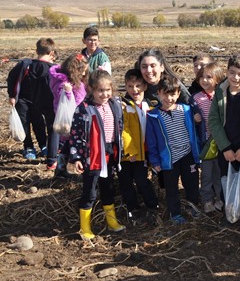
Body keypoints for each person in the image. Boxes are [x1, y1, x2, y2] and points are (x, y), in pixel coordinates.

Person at [69, 70, 125, 239]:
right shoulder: (84, 109)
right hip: (91, 156)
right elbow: (76, 134)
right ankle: (85, 227)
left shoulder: (114, 104)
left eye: (108, 90)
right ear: (91, 90)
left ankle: (112, 221)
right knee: (90, 190)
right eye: (100, 90)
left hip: (109, 153)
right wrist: (76, 157)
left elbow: (119, 127)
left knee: (108, 188)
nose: (105, 94)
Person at [207, 56, 240, 218]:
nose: (235, 78)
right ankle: (230, 210)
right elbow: (214, 121)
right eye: (232, 73)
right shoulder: (219, 93)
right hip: (226, 148)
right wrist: (225, 147)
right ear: (227, 71)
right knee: (227, 179)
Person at [146, 75, 201, 224]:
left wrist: (196, 121)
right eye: (166, 94)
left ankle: (193, 208)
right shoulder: (153, 115)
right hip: (169, 158)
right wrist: (155, 160)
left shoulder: (186, 110)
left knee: (192, 184)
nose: (169, 98)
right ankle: (175, 213)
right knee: (171, 188)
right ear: (159, 93)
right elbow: (151, 141)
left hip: (187, 154)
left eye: (173, 94)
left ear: (178, 94)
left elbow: (195, 130)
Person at [119, 69, 160, 226]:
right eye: (130, 86)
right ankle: (132, 208)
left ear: (144, 86)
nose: (134, 90)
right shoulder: (124, 107)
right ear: (125, 86)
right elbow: (124, 132)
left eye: (138, 85)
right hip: (128, 153)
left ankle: (152, 205)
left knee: (142, 180)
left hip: (143, 152)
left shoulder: (150, 106)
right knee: (126, 181)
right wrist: (130, 151)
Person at [7, 37, 57, 162]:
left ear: (36, 50)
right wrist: (12, 95)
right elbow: (12, 78)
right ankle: (28, 147)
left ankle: (43, 145)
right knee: (24, 123)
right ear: (51, 53)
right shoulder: (25, 65)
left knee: (39, 122)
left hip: (38, 101)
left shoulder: (50, 68)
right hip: (23, 99)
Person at [190, 62, 226, 213]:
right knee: (206, 174)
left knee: (219, 173)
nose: (204, 80)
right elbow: (189, 120)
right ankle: (207, 200)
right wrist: (194, 118)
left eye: (209, 77)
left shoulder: (222, 96)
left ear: (217, 79)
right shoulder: (196, 98)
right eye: (202, 77)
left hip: (220, 142)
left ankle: (220, 198)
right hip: (206, 143)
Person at [49, 52, 88, 175]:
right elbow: (66, 101)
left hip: (73, 116)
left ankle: (61, 168)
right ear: (74, 70)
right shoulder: (65, 84)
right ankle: (65, 168)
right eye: (82, 71)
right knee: (72, 142)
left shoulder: (66, 81)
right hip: (71, 118)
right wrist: (68, 93)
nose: (83, 74)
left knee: (67, 143)